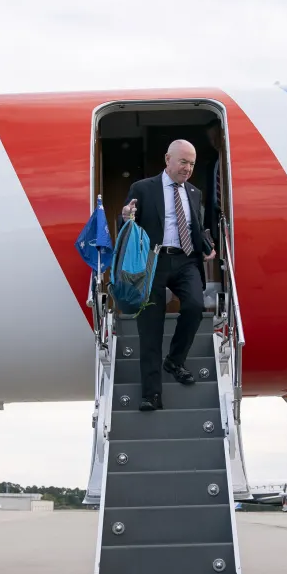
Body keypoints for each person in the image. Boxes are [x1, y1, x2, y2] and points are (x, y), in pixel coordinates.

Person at [120, 139, 217, 411]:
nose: (188, 168)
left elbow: (196, 226)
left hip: (185, 260)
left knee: (196, 306)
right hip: (153, 260)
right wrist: (125, 215)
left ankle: (175, 360)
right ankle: (151, 394)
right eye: (183, 162)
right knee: (150, 329)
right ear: (168, 159)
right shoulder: (143, 188)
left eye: (192, 164)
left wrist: (206, 246)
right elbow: (127, 221)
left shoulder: (194, 192)